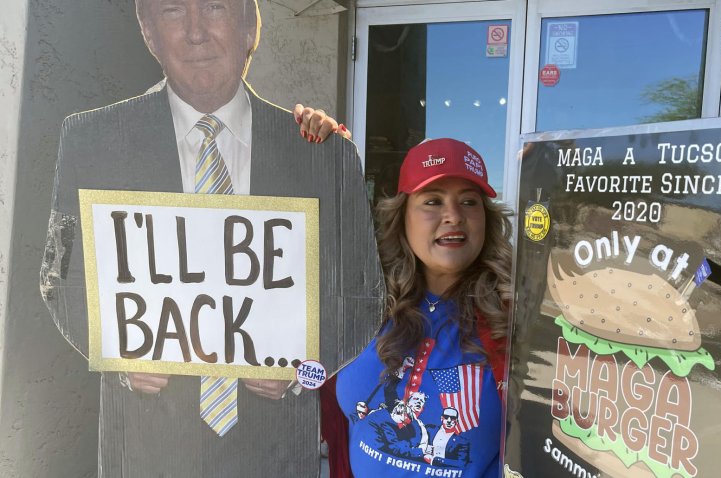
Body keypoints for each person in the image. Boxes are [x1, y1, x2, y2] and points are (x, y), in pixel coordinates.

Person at [39, 0, 382, 476]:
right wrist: (118, 356)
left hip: (274, 452)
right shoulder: (92, 140)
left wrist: (305, 371)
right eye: (174, 11)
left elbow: (363, 298)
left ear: (249, 28)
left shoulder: (323, 154)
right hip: (143, 451)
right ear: (148, 31)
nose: (196, 32)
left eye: (216, 7)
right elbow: (60, 281)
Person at [324, 138, 513, 477]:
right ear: (403, 217)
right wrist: (320, 144)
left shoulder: (514, 320)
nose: (453, 216)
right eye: (433, 201)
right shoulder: (361, 300)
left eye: (469, 202)